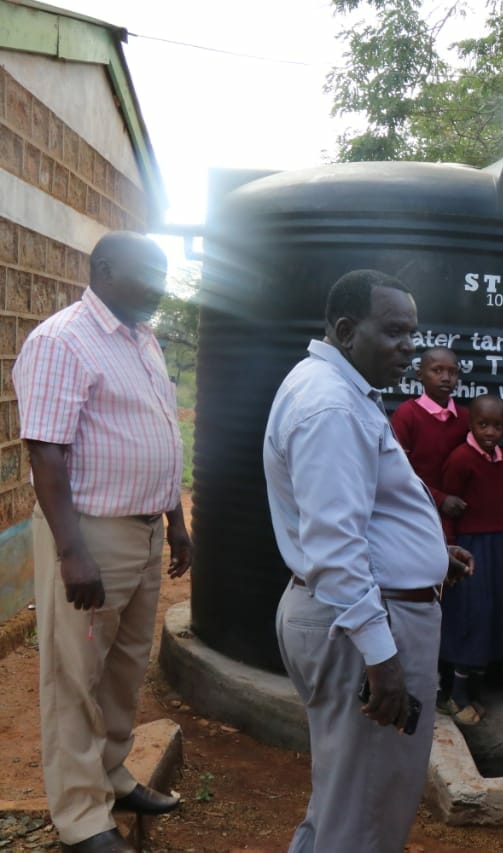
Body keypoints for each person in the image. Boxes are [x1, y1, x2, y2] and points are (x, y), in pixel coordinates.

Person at [263, 270, 469, 853]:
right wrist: (382, 658)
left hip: (355, 612)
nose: (410, 345)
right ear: (348, 331)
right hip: (366, 627)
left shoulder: (338, 391)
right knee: (368, 812)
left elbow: (353, 519)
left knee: (345, 795)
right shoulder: (332, 407)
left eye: (414, 332)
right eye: (396, 332)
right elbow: (335, 546)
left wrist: (427, 555)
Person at [13, 232, 189, 853]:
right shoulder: (63, 340)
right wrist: (71, 551)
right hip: (90, 534)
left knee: (123, 666)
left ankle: (112, 775)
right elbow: (46, 449)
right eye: (151, 274)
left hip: (141, 532)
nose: (161, 288)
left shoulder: (141, 340)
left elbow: (158, 430)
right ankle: (82, 815)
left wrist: (177, 521)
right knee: (76, 674)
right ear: (108, 271)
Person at [439, 395, 503, 725]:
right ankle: (456, 696)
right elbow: (447, 512)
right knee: (471, 618)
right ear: (470, 424)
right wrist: (449, 549)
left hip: (499, 546)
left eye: (498, 426)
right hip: (471, 549)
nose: (491, 432)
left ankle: (474, 692)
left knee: (493, 618)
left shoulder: (501, 459)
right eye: (483, 425)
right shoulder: (460, 460)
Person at [389, 346, 470, 515]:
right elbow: (394, 469)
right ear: (420, 375)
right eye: (437, 370)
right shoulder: (407, 414)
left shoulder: (466, 418)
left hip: (459, 513)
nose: (446, 378)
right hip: (416, 510)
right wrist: (439, 499)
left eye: (453, 372)